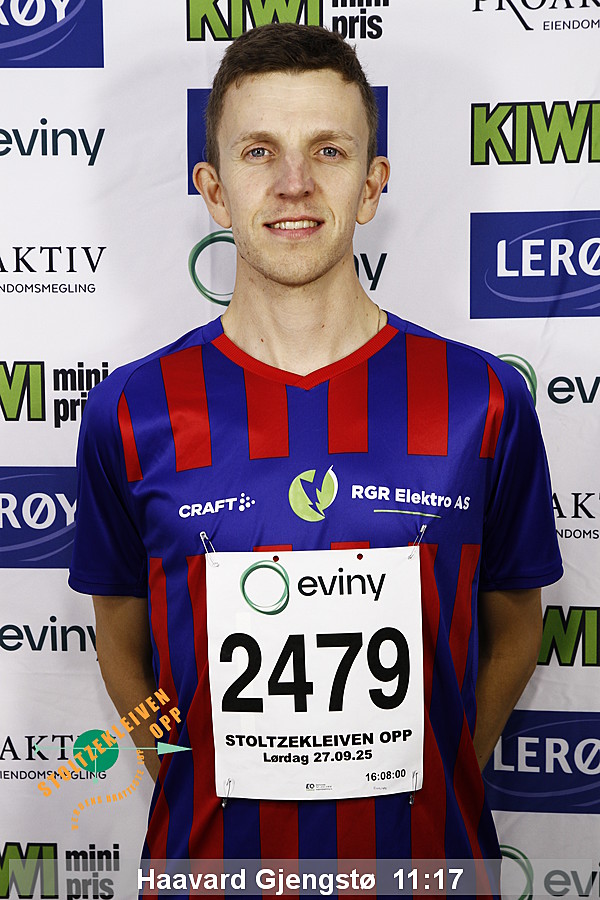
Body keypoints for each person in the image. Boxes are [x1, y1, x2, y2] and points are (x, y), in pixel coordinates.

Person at [69, 22, 562, 882]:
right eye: (259, 151)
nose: (293, 182)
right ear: (214, 190)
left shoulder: (482, 400)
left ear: (370, 186)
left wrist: (440, 766)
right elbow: (119, 641)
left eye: (328, 151)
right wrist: (186, 768)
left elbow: (517, 628)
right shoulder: (132, 410)